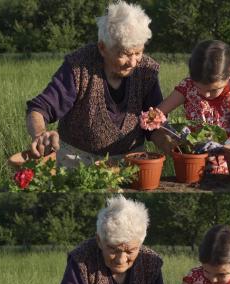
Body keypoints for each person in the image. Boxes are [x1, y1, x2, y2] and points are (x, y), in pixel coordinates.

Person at [25, 1, 172, 168]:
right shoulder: (79, 67)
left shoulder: (146, 71)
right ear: (102, 47)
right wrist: (39, 134)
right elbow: (38, 109)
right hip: (78, 163)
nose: (133, 62)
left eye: (138, 52)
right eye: (124, 54)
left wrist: (172, 144)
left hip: (130, 164)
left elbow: (153, 123)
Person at [149, 40, 230, 174]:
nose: (207, 95)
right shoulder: (187, 86)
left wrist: (225, 144)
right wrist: (174, 134)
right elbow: (154, 115)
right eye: (199, 88)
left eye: (215, 90)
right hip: (192, 166)